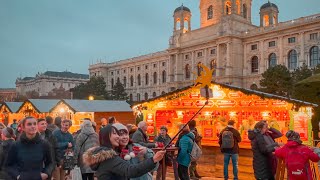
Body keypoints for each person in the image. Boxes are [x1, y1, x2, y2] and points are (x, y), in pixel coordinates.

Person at [82, 124, 166, 180]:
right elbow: (129, 171)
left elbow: (154, 168)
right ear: (106, 137)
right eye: (118, 134)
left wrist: (147, 154)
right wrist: (153, 159)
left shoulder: (136, 147)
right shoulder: (109, 155)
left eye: (126, 134)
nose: (121, 137)